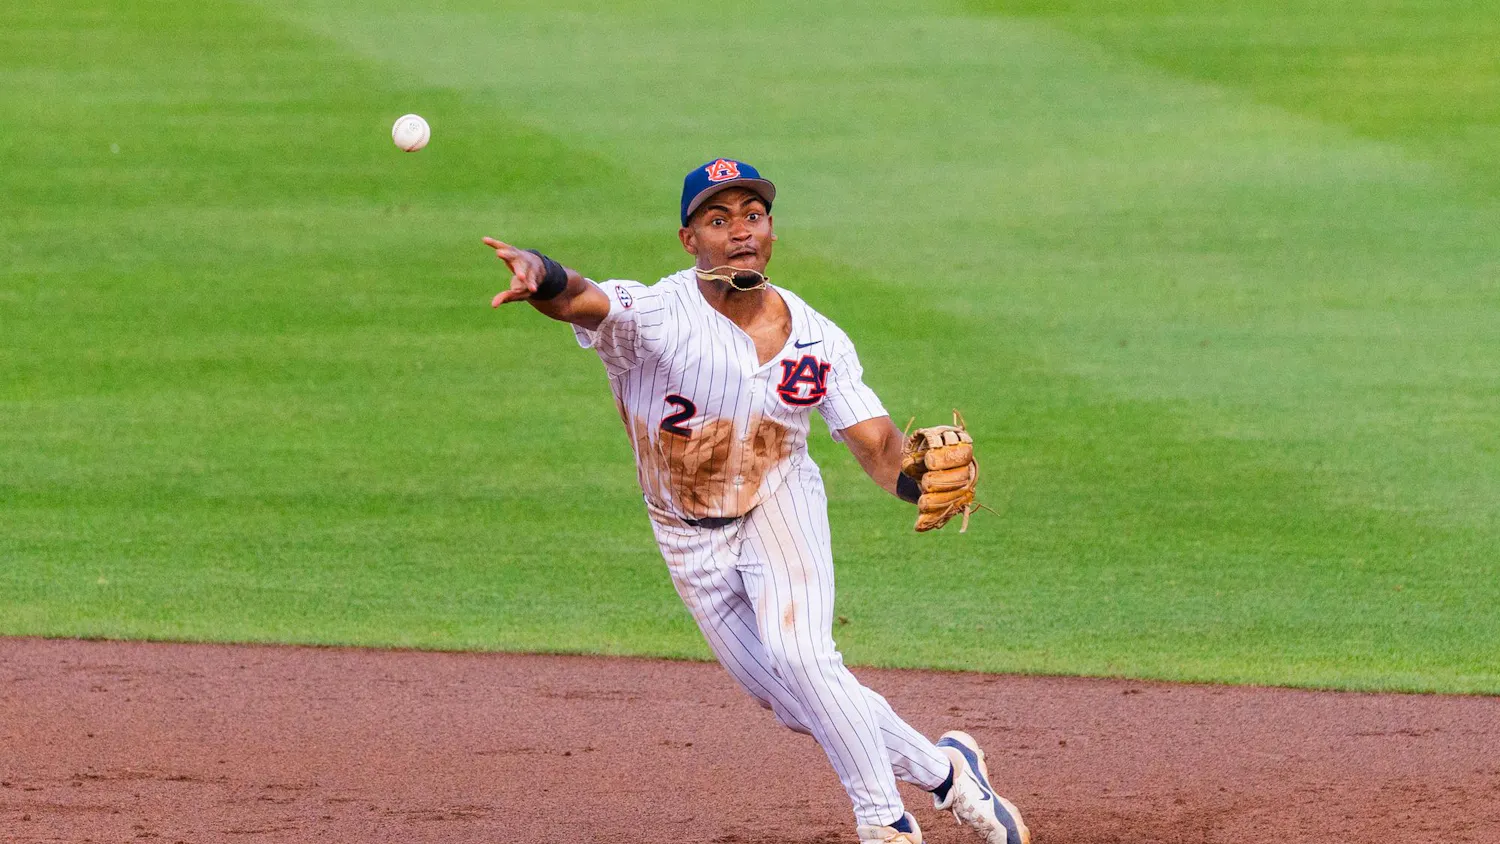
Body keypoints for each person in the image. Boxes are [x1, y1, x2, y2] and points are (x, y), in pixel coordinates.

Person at [481, 158, 1029, 844]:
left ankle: (885, 822)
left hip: (779, 505)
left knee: (805, 659)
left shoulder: (818, 339)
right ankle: (949, 772)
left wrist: (922, 485)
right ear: (689, 240)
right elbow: (578, 298)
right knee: (798, 703)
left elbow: (880, 449)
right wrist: (538, 270)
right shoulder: (654, 316)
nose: (740, 231)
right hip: (686, 535)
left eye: (753, 215)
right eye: (718, 220)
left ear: (770, 229)